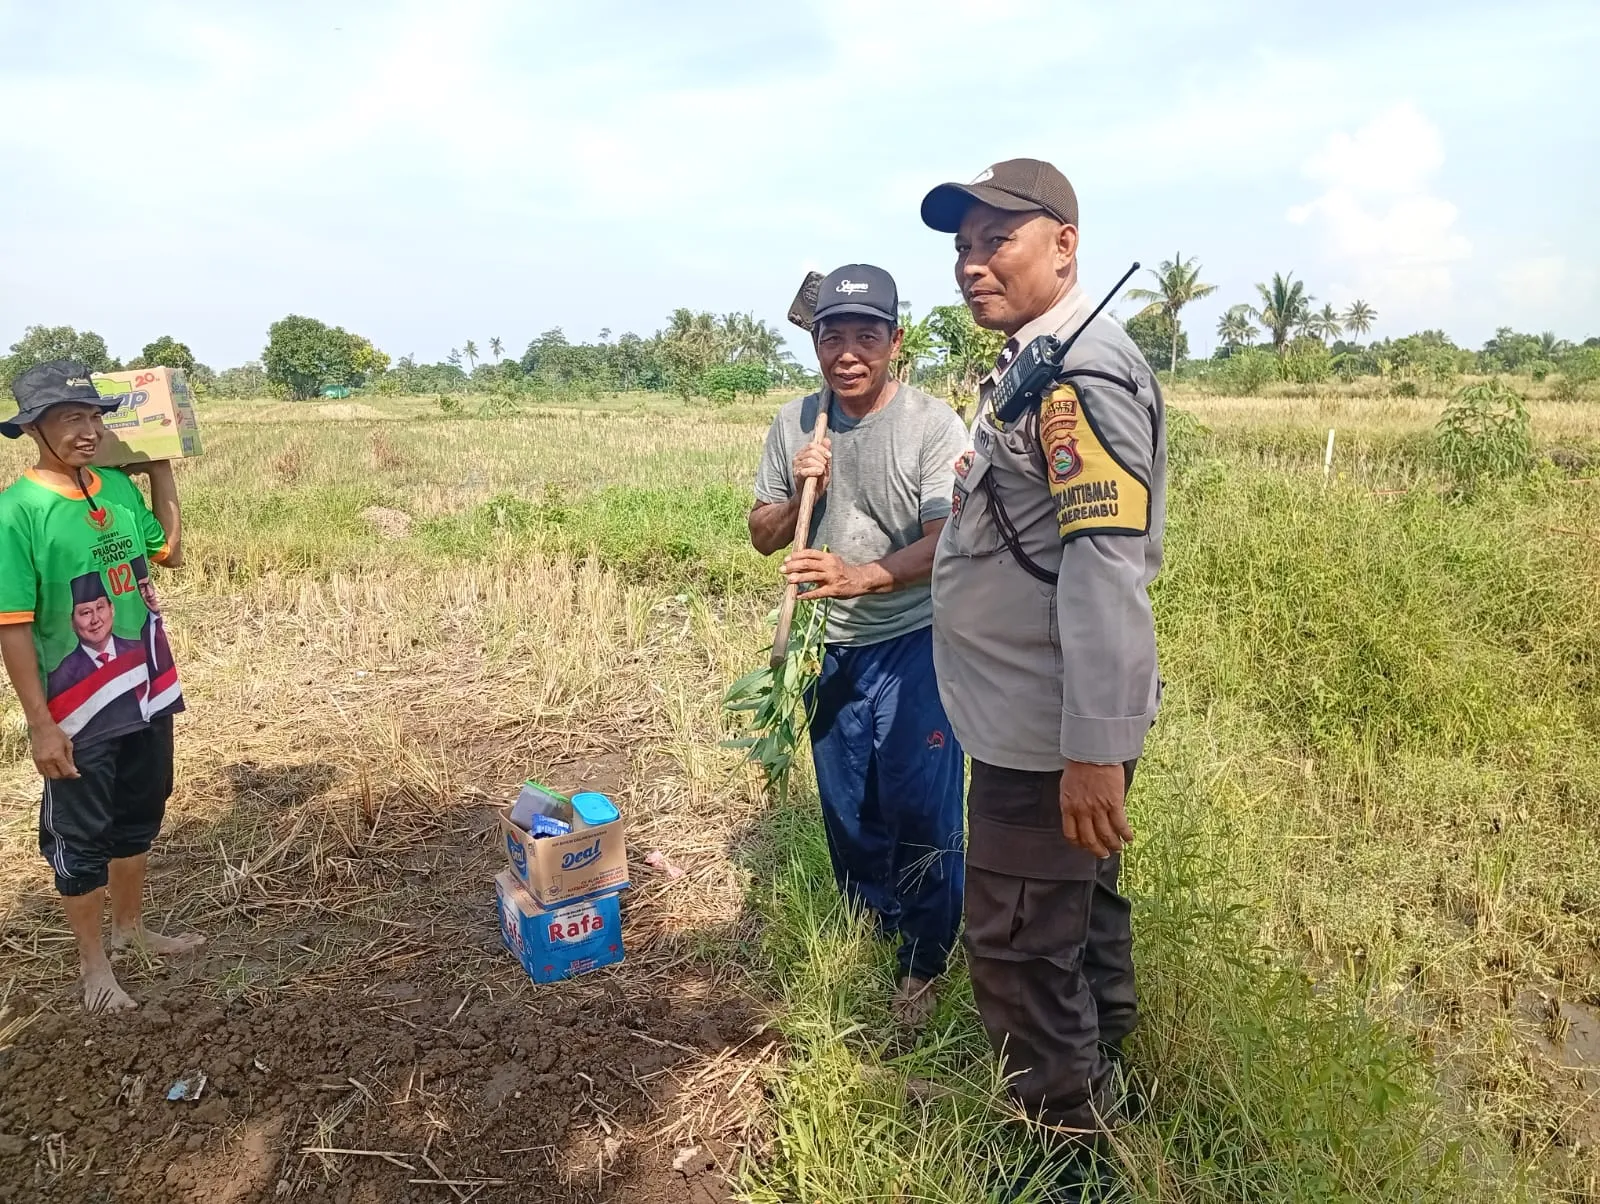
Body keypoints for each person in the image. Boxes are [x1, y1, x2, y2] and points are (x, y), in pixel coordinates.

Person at [920, 160, 1167, 1187]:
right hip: (1034, 723)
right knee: (1077, 918)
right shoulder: (1035, 360)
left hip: (1045, 733)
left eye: (997, 240)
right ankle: (1115, 1087)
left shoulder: (1077, 376)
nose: (973, 264)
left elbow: (1106, 569)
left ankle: (1064, 1159)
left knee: (1019, 950)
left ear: (1063, 243)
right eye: (963, 247)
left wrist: (1092, 754)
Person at [749, 264, 970, 1028]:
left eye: (865, 337)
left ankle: (926, 960)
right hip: (825, 646)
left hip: (917, 642)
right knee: (849, 809)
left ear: (894, 343)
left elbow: (950, 543)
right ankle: (873, 928)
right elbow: (760, 535)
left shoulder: (932, 426)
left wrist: (861, 576)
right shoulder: (795, 423)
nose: (848, 353)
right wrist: (795, 495)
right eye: (832, 336)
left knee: (923, 807)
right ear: (814, 343)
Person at [0, 359, 202, 1013]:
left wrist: (161, 463)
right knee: (80, 837)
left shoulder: (115, 488)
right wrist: (40, 722)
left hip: (144, 685)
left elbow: (167, 548)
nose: (86, 431)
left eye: (93, 417)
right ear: (34, 429)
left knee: (141, 809)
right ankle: (93, 968)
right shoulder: (17, 514)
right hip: (76, 706)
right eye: (69, 419)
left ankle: (132, 929)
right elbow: (13, 626)